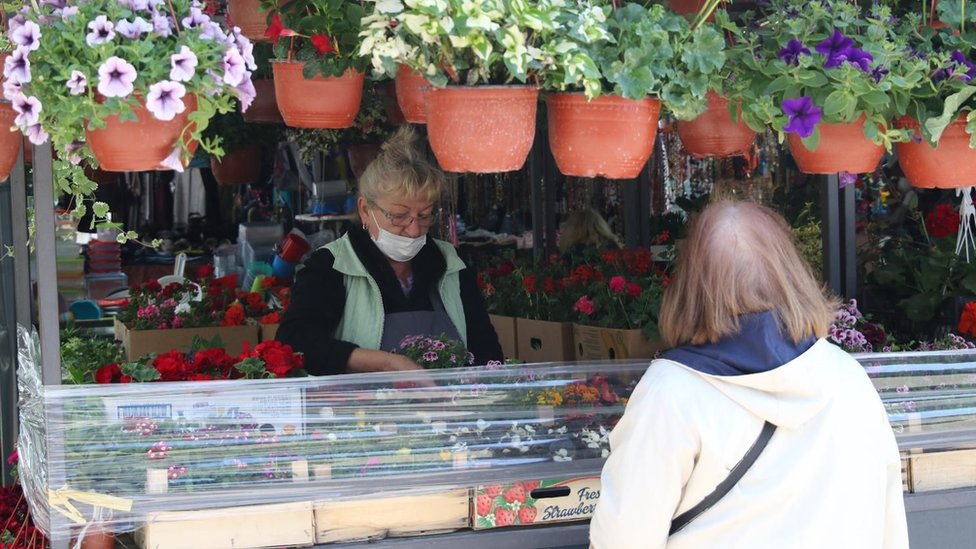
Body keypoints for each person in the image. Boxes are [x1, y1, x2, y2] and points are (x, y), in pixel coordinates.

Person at [589, 200, 907, 548]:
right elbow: (887, 521)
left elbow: (623, 538)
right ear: (791, 272)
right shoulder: (850, 379)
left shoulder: (671, 393)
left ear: (690, 286)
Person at [277, 127, 503, 375]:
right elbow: (295, 340)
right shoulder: (331, 266)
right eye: (398, 216)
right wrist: (386, 363)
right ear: (365, 210)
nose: (414, 229)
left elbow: (486, 349)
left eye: (425, 216)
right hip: (364, 410)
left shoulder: (450, 262)